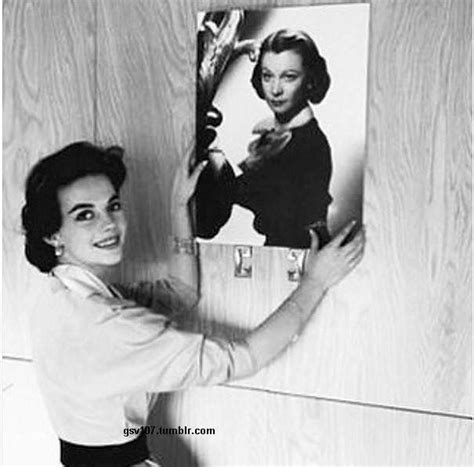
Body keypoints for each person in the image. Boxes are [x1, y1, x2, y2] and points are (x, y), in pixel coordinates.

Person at [21, 141, 364, 466]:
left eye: (112, 206)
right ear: (52, 234)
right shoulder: (106, 324)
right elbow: (243, 358)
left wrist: (178, 208)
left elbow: (180, 292)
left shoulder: (60, 294)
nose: (109, 223)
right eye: (84, 215)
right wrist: (316, 282)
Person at [235, 29, 333, 248]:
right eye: (267, 76)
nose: (275, 89)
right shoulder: (277, 133)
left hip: (302, 257)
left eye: (289, 77)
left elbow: (259, 196)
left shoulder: (310, 145)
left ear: (310, 80)